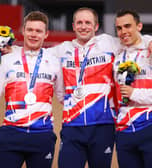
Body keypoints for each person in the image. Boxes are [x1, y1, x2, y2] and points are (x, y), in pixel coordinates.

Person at [0, 11, 64, 168]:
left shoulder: (54, 62)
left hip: (43, 136)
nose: (34, 34)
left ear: (46, 34)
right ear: (23, 30)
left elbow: (63, 97)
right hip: (10, 134)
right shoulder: (6, 59)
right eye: (30, 30)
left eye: (38, 31)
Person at [50, 7, 119, 168]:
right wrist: (9, 50)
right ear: (73, 26)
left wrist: (149, 42)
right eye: (79, 22)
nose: (83, 26)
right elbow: (35, 53)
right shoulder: (61, 50)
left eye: (88, 22)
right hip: (72, 126)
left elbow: (133, 41)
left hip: (103, 126)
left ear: (96, 26)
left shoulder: (108, 43)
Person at [113, 9, 152, 168]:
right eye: (119, 28)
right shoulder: (117, 54)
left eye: (128, 26)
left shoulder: (150, 52)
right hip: (124, 130)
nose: (123, 32)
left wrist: (134, 93)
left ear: (139, 26)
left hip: (148, 125)